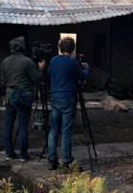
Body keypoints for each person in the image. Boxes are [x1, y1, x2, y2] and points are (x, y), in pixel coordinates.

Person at [47, 37, 89, 170]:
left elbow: (49, 73)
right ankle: (66, 160)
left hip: (55, 96)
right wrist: (86, 69)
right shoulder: (72, 62)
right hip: (67, 97)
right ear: (72, 49)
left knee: (54, 129)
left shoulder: (53, 60)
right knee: (66, 131)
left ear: (60, 47)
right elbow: (82, 76)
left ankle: (52, 159)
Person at [1, 37, 45, 161]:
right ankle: (23, 154)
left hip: (10, 95)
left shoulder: (5, 61)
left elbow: (3, 80)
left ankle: (9, 152)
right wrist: (41, 68)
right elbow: (36, 78)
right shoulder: (27, 61)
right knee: (23, 125)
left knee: (8, 124)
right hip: (24, 95)